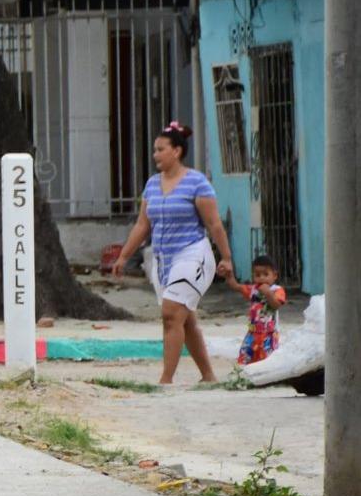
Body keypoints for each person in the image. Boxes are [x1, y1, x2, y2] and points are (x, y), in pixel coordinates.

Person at [111, 121, 232, 384]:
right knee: (184, 319)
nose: (155, 154)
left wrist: (227, 258)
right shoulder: (152, 185)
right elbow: (143, 224)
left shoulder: (197, 183)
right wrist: (123, 256)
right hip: (163, 260)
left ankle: (166, 380)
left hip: (192, 255)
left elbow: (214, 224)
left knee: (170, 314)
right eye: (155, 150)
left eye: (160, 149)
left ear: (176, 151)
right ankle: (208, 376)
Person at [228, 255, 286, 366]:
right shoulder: (253, 289)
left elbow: (276, 305)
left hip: (269, 334)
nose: (262, 278)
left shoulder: (277, 290)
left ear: (274, 276)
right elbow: (236, 286)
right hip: (252, 333)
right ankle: (243, 376)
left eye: (266, 274)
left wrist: (268, 293)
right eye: (258, 275)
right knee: (244, 357)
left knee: (267, 360)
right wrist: (229, 275)